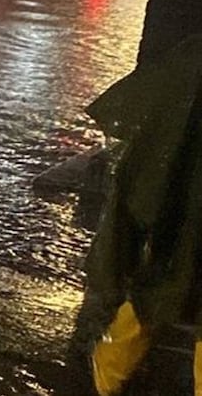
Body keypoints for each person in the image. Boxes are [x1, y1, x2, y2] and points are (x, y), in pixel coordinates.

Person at [83, 34, 202, 395]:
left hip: (179, 211)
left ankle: (108, 375)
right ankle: (109, 374)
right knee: (161, 289)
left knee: (159, 289)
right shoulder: (189, 61)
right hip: (184, 211)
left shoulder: (187, 58)